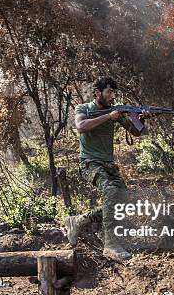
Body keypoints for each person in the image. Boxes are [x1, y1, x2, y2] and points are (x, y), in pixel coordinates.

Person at [65, 77, 156, 261]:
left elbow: (136, 132)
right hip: (89, 163)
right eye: (109, 92)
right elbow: (81, 126)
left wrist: (142, 119)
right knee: (111, 191)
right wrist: (108, 116)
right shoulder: (83, 109)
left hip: (108, 165)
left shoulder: (116, 112)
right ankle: (111, 245)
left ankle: (79, 220)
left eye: (114, 93)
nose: (113, 96)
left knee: (122, 203)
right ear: (97, 93)